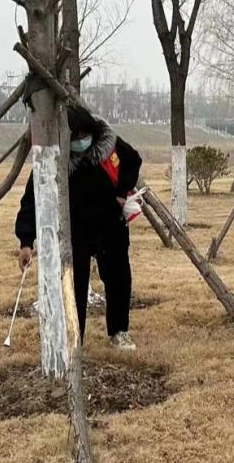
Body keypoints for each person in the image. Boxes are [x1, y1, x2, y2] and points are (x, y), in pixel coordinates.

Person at [16, 107, 141, 349]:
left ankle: (119, 331)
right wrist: (26, 241)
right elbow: (32, 199)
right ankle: (75, 337)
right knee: (74, 284)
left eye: (85, 135)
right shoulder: (53, 160)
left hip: (110, 224)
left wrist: (121, 192)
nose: (82, 141)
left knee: (118, 278)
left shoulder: (109, 145)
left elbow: (133, 161)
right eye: (76, 137)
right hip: (75, 230)